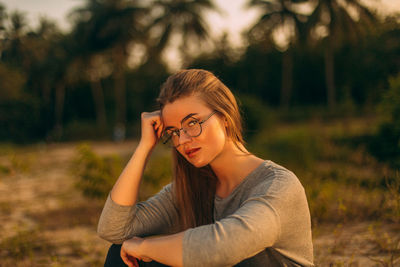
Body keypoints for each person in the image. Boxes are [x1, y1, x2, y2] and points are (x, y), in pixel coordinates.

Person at [97, 69, 314, 267]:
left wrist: (145, 247)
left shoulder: (278, 186)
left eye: (192, 123)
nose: (182, 140)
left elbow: (224, 247)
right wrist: (145, 146)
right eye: (173, 131)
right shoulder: (191, 187)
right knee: (121, 256)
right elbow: (114, 229)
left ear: (225, 117)